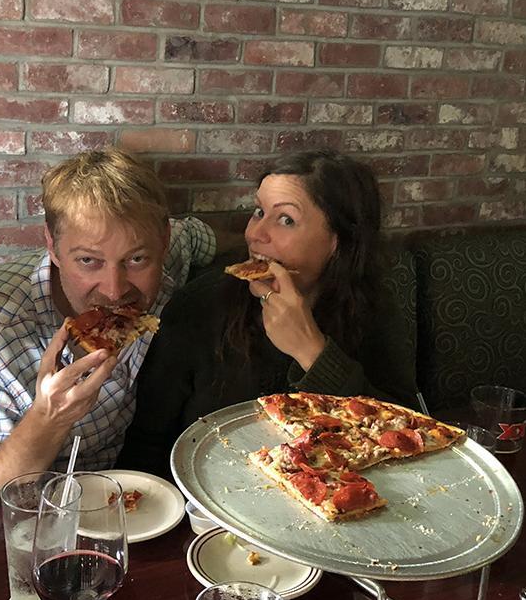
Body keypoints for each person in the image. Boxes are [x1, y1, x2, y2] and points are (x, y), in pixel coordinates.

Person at [0, 147, 220, 501]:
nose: (115, 290)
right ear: (52, 246)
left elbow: (199, 237)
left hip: (137, 501)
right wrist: (48, 419)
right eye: (88, 261)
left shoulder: (166, 249)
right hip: (32, 522)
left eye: (136, 259)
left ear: (163, 242)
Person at [117, 149, 420, 480]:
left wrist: (313, 353)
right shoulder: (200, 306)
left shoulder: (370, 308)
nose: (256, 234)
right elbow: (146, 444)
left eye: (286, 219)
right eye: (259, 211)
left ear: (337, 242)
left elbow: (407, 436)